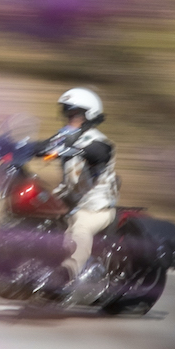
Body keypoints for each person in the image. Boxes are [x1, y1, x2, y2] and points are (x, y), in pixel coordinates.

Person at [45, 86, 117, 304]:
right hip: (69, 202)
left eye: (74, 114)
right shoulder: (66, 137)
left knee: (80, 229)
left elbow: (100, 152)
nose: (69, 119)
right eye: (67, 114)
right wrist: (8, 146)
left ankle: (67, 274)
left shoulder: (98, 141)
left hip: (95, 207)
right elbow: (41, 146)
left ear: (89, 116)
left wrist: (79, 149)